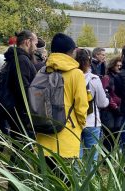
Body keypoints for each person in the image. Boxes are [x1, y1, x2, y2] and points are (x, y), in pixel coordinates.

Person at [36, 33, 89, 161]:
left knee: (45, 179)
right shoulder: (76, 74)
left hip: (43, 136)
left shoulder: (42, 71)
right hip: (67, 137)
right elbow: (81, 106)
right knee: (65, 180)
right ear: (70, 52)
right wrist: (81, 126)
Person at [0, 30, 38, 139]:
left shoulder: (16, 58)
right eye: (35, 43)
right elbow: (22, 90)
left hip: (16, 112)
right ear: (27, 42)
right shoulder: (21, 60)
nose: (36, 48)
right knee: (23, 146)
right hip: (21, 115)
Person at [76, 48, 108, 161]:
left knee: (76, 158)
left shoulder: (68, 77)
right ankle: (90, 178)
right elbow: (103, 103)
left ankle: (76, 178)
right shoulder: (94, 79)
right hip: (91, 121)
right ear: (88, 62)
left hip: (74, 122)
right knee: (92, 158)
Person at [100, 56, 122, 152]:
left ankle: (112, 156)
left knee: (116, 133)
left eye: (121, 66)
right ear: (112, 66)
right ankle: (105, 160)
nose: (119, 68)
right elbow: (106, 94)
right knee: (109, 135)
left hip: (119, 110)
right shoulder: (106, 78)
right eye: (117, 66)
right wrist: (114, 106)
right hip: (109, 110)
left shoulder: (121, 78)